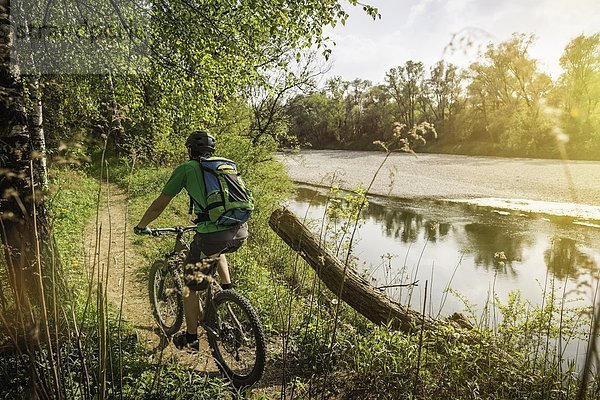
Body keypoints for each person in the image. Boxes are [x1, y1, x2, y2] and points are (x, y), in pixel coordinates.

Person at [134, 130, 248, 350]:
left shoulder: (187, 169)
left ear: (190, 150)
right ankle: (227, 290)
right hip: (240, 230)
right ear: (211, 151)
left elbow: (160, 203)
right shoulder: (225, 166)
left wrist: (142, 226)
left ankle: (191, 337)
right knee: (217, 249)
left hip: (212, 235)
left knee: (190, 287)